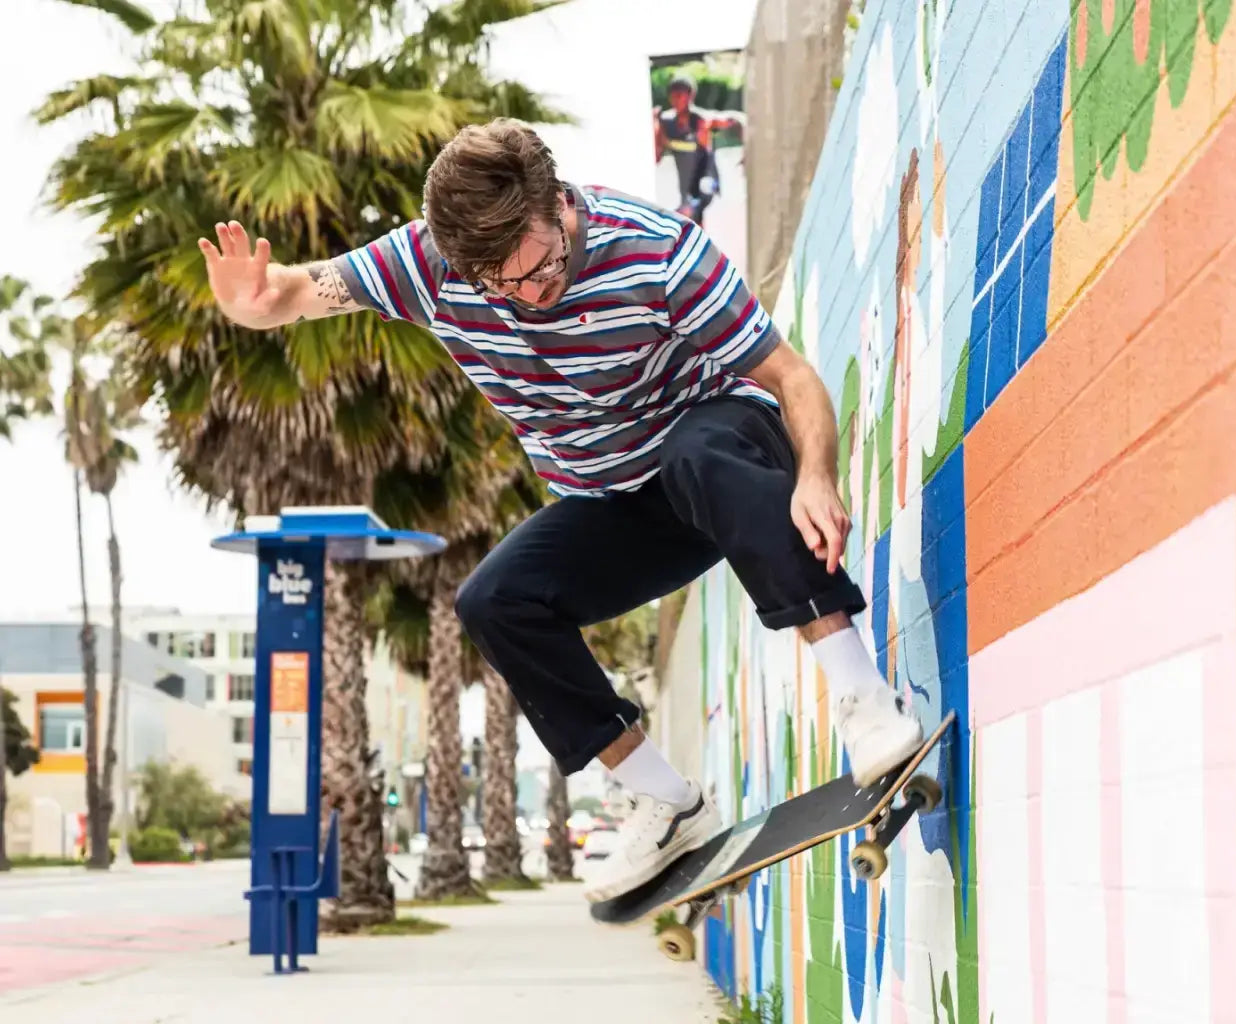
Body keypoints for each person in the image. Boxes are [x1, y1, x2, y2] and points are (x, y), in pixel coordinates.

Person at [198, 118, 924, 903]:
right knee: (494, 600)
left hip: (726, 456)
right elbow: (297, 291)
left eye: (541, 267)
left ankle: (862, 698)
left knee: (697, 452)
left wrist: (815, 475)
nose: (530, 295)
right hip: (618, 504)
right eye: (499, 285)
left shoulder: (657, 252)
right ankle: (661, 798)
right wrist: (256, 305)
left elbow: (794, 379)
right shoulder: (426, 264)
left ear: (559, 205)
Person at [653, 74, 744, 224]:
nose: (675, 101)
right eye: (673, 97)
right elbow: (656, 157)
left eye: (679, 96)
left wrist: (748, 151)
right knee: (694, 226)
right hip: (686, 189)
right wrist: (653, 125)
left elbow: (738, 119)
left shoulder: (703, 120)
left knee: (685, 214)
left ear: (691, 96)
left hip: (706, 181)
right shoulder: (666, 123)